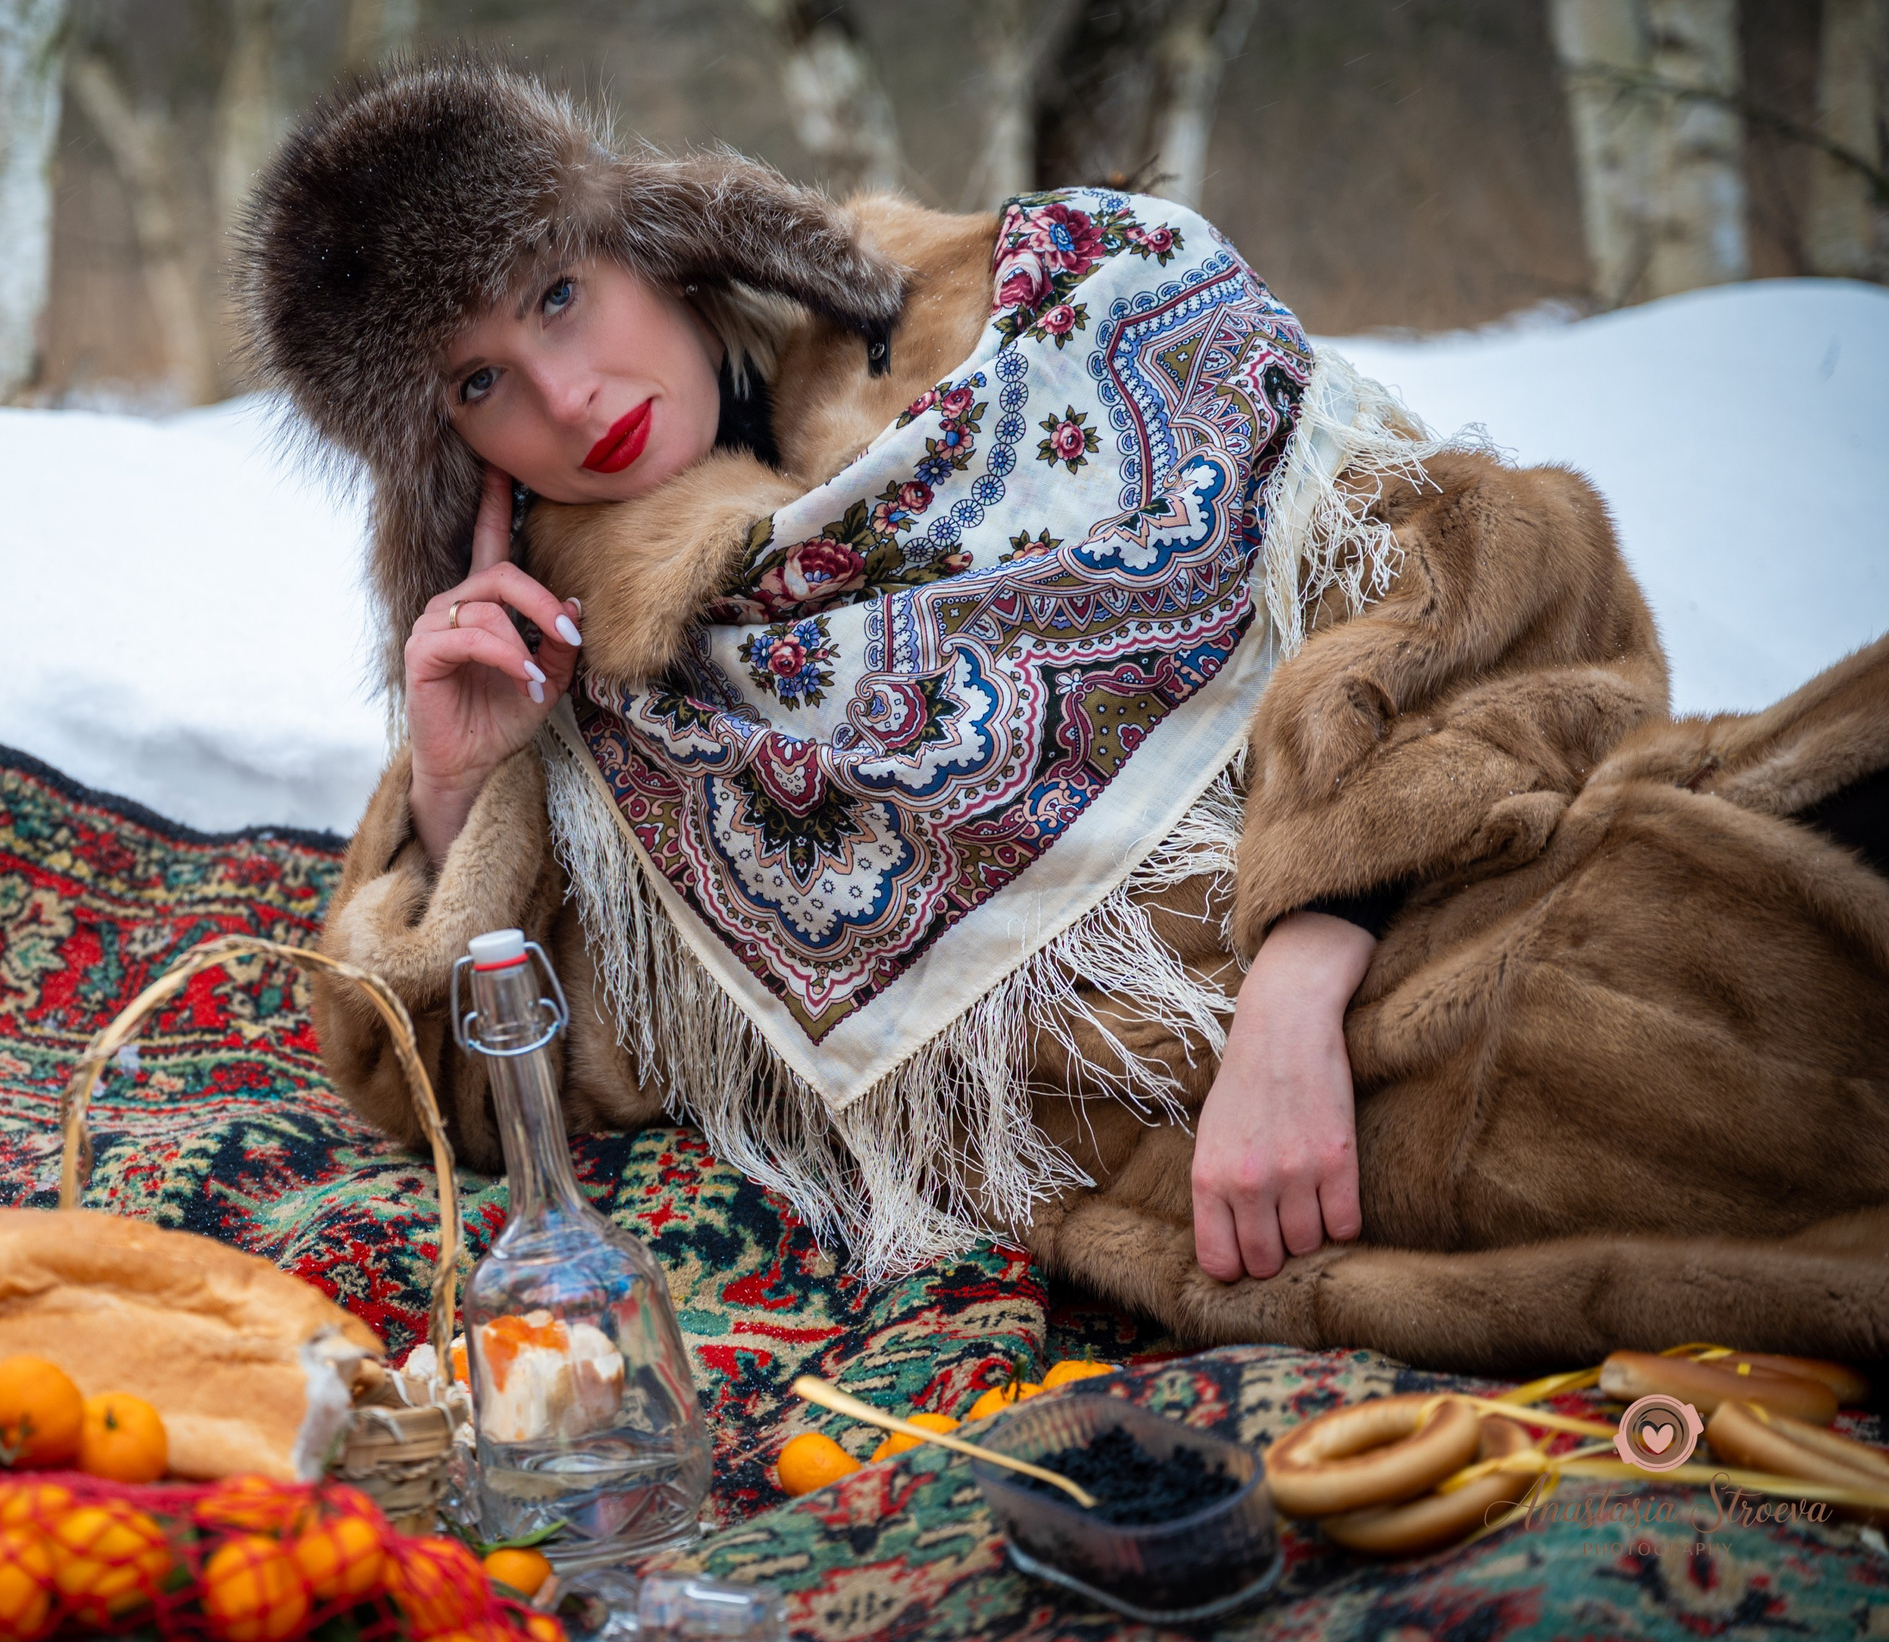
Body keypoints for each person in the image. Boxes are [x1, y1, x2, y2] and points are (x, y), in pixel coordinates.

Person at [237, 59, 1889, 1369]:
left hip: (1401, 884)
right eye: (474, 386)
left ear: (643, 233)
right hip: (1257, 1146)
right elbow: (463, 1098)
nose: (567, 398)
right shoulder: (565, 685)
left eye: (552, 298)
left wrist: (1305, 964)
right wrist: (460, 798)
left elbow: (1514, 573)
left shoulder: (1013, 308)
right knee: (1710, 1067)